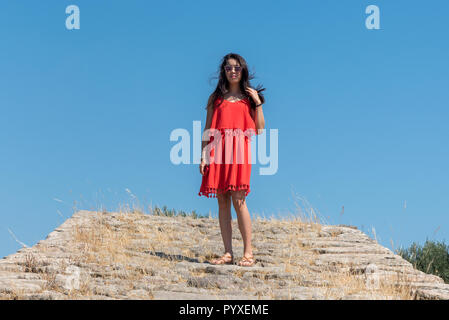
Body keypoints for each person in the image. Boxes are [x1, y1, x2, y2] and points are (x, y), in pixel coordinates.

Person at [198, 53, 265, 267]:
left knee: (239, 199)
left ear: (242, 70)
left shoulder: (249, 99)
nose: (233, 71)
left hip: (239, 151)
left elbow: (260, 129)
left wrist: (258, 102)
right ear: (223, 71)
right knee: (222, 200)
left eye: (236, 67)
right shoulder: (215, 99)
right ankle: (228, 253)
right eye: (228, 68)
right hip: (217, 150)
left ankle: (248, 253)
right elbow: (208, 129)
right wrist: (203, 155)